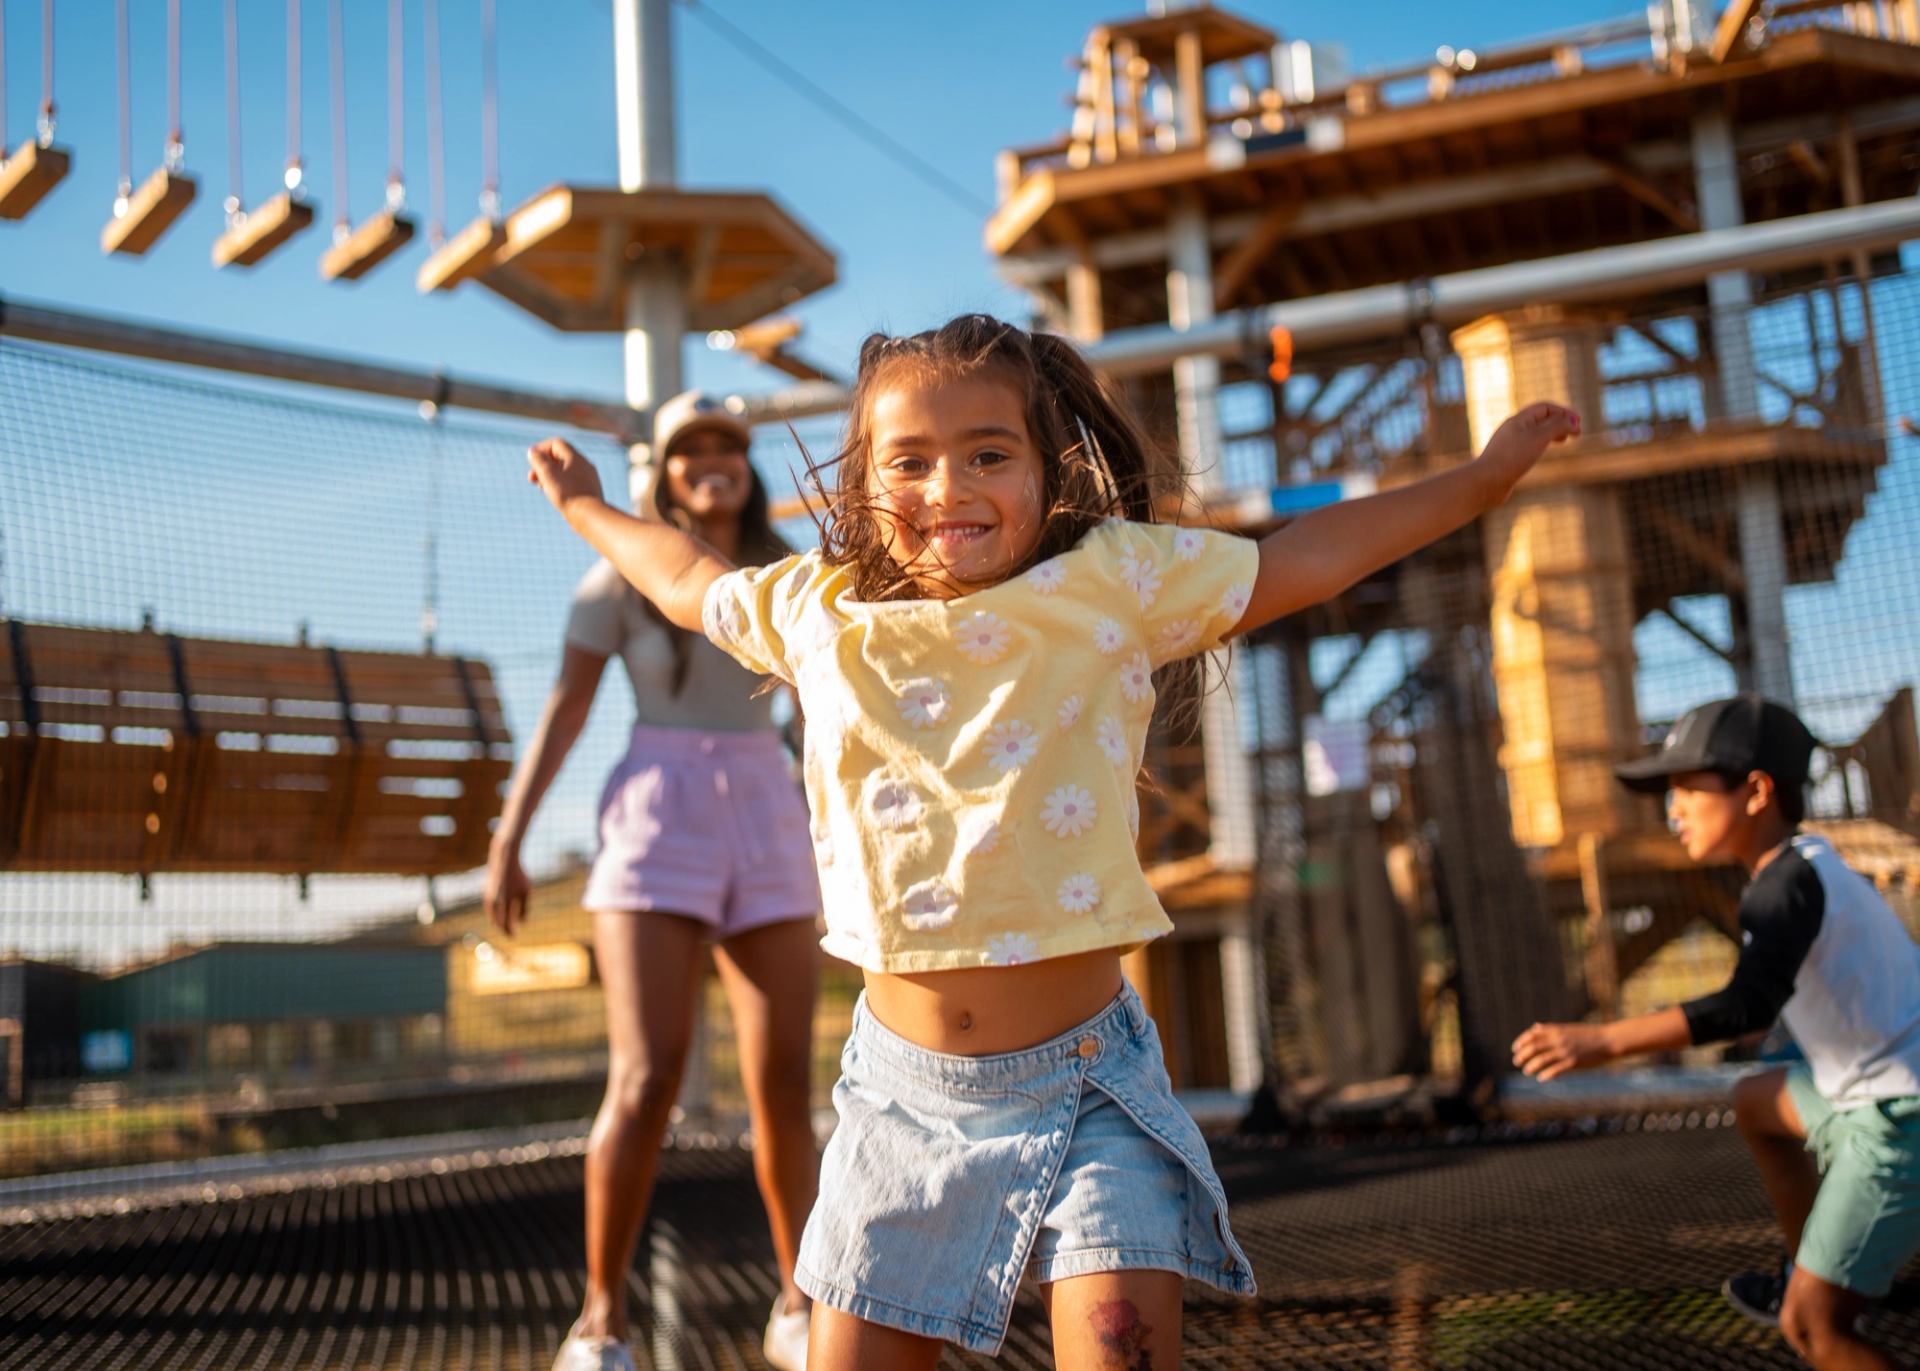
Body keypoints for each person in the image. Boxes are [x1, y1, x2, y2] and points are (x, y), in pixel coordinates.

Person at [525, 314, 1577, 1369]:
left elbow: (1305, 559)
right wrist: (584, 509)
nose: (950, 489)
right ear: (863, 481)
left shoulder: (1110, 581)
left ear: (1047, 466)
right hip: (902, 1103)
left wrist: (1482, 479)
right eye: (911, 461)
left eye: (990, 454)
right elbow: (677, 572)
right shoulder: (819, 609)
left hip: (1089, 1088)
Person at [486, 390, 822, 1371]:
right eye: (690, 449)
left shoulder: (783, 576)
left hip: (767, 809)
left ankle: (799, 1302)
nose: (711, 460)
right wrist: (508, 836)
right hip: (658, 817)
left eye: (728, 444)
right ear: (663, 474)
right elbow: (565, 710)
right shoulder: (616, 581)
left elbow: (819, 711)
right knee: (645, 1077)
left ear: (746, 466)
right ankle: (601, 1320)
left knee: (783, 1084)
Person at [1513, 694, 1920, 1371]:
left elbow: (1746, 1005)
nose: (1671, 809)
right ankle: (1810, 1266)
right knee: (1758, 1100)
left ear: (1756, 790)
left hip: (1898, 1117)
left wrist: (1603, 1040)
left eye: (1687, 789)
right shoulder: (1808, 864)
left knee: (1814, 1330)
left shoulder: (1781, 887)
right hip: (1875, 1084)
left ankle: (1816, 1298)